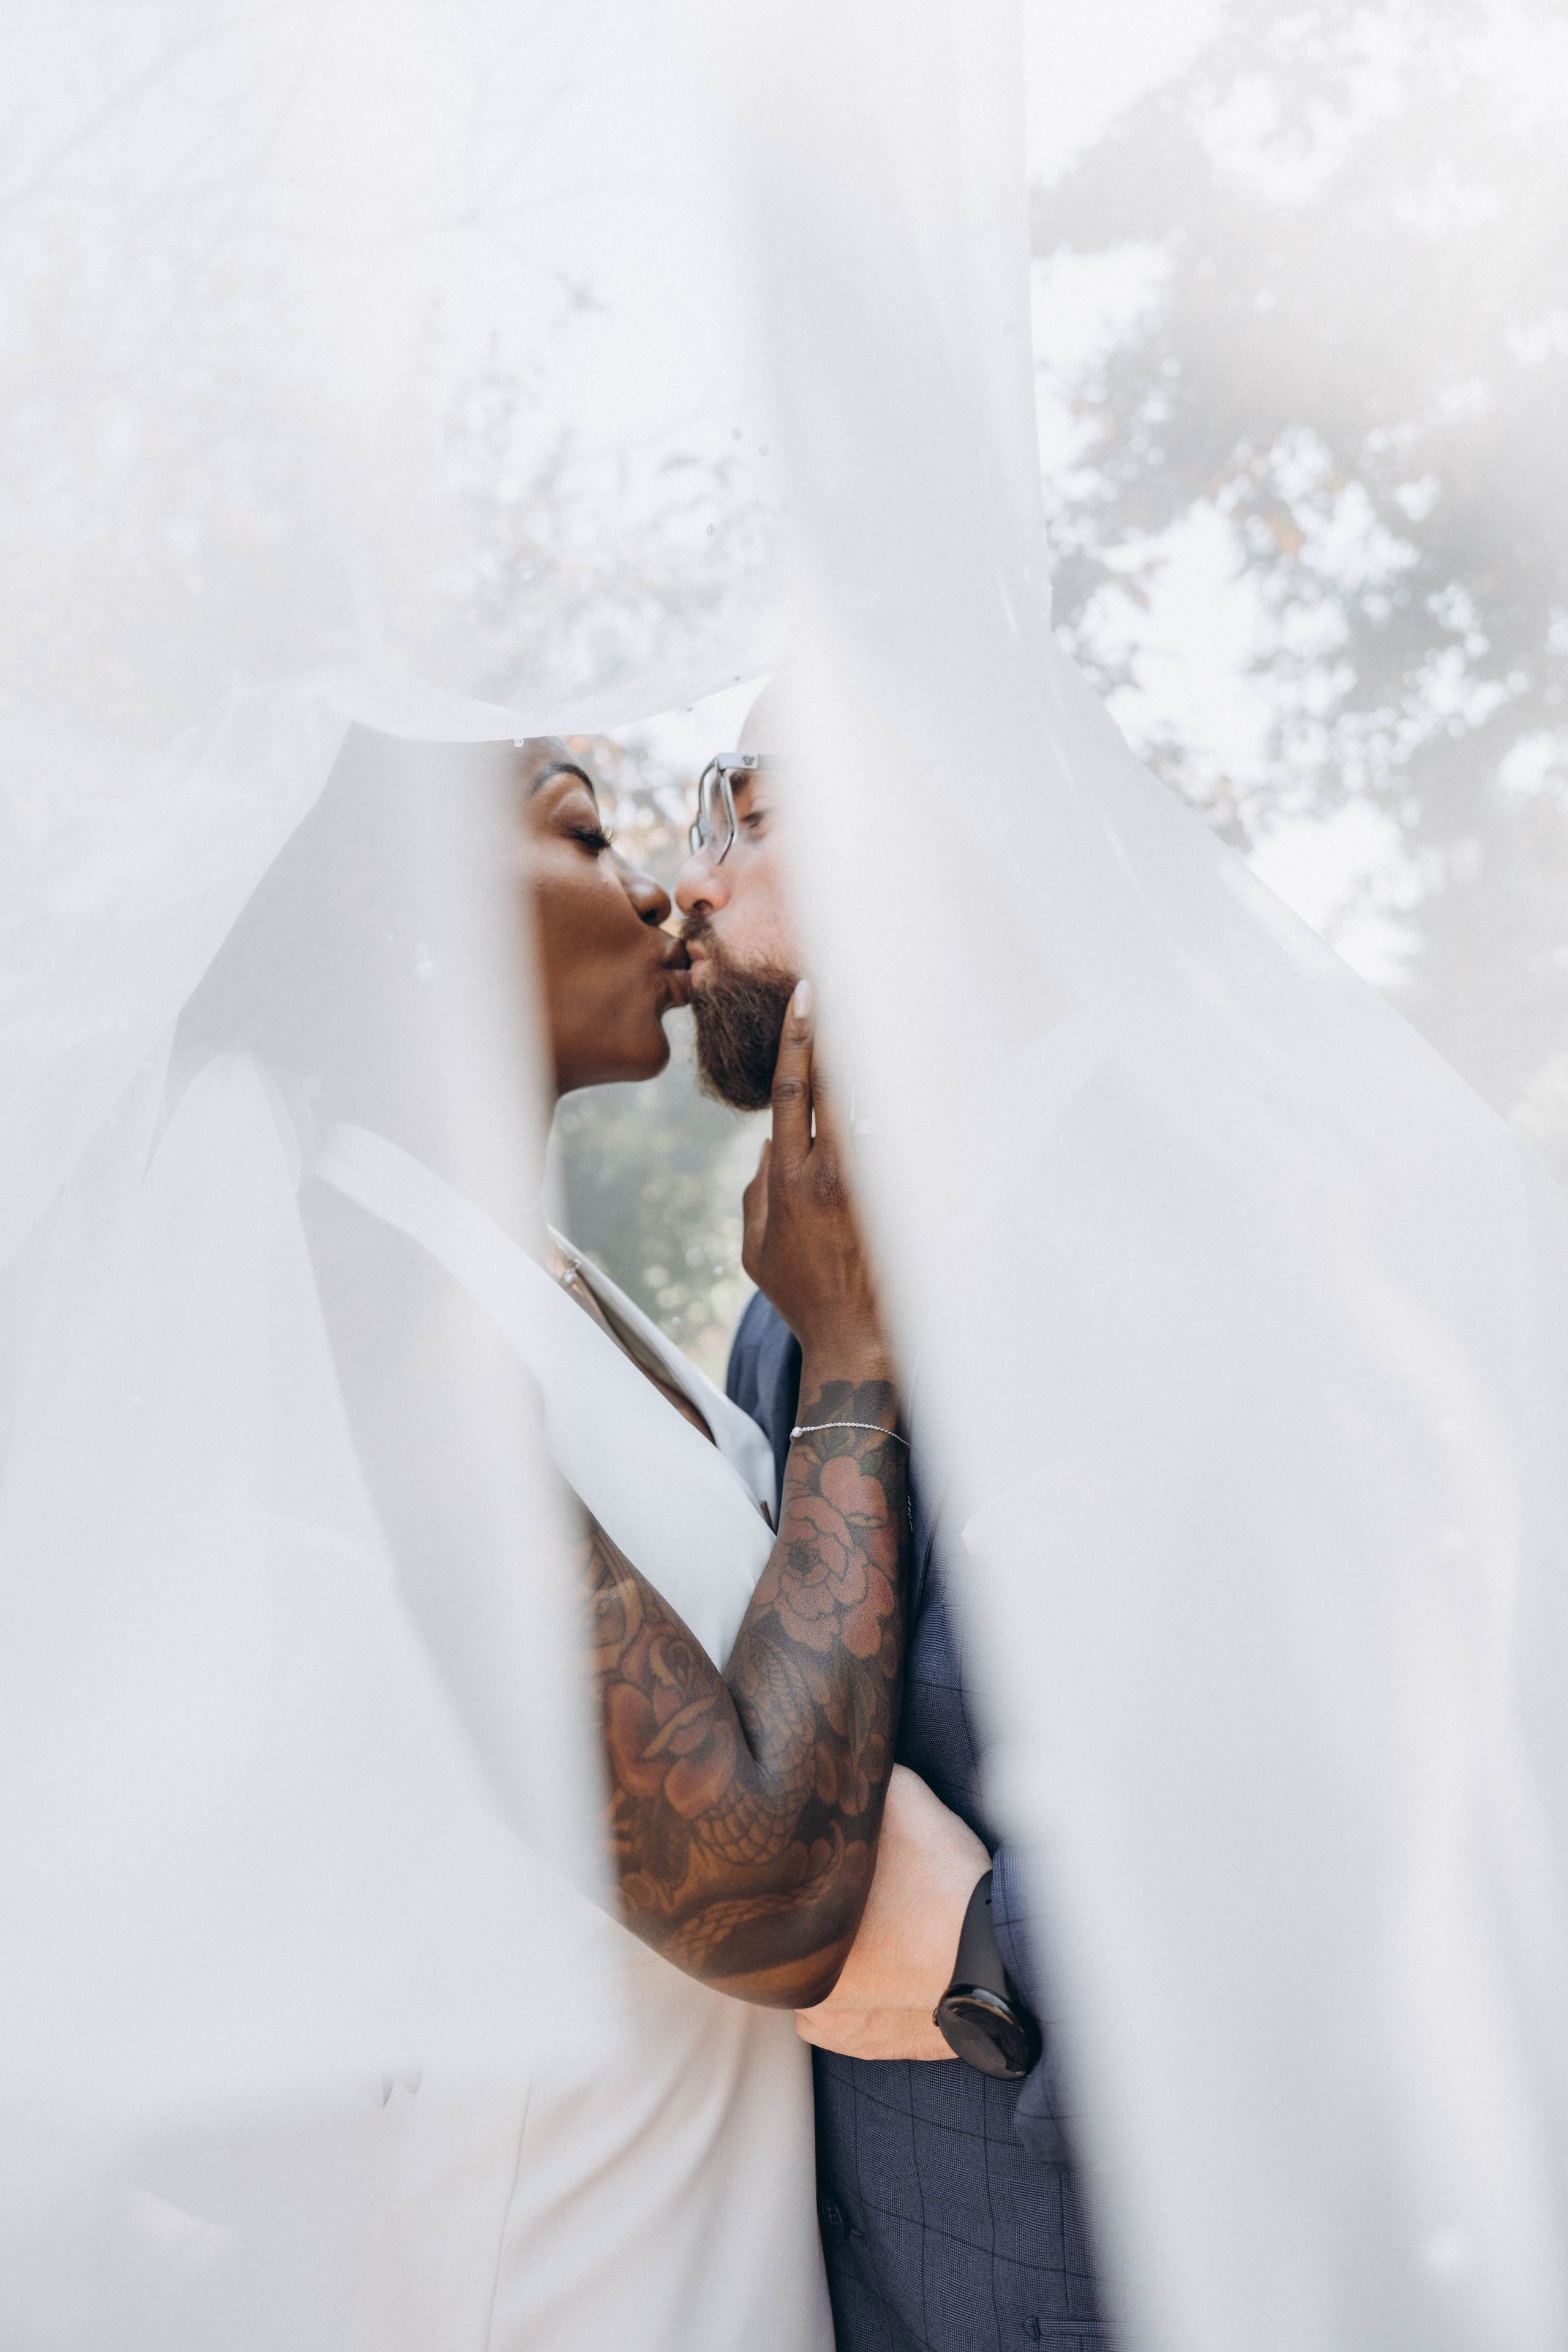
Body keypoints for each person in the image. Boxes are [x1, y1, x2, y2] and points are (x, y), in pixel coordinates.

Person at [181, 729, 913, 2352]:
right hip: (560, 2263)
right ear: (407, 911)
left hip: (706, 2219)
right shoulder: (359, 1286)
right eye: (581, 837)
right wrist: (854, 1364)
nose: (657, 891)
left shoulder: (532, 1273)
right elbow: (761, 1892)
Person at [676, 696, 1116, 2352]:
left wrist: (995, 1950)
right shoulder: (777, 1315)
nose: (693, 880)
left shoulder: (1207, 1250)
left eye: (742, 810)